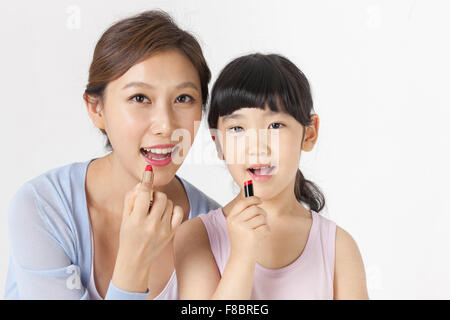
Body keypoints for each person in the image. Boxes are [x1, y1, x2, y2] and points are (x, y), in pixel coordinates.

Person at [5, 10, 219, 300]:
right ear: (97, 109)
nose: (166, 125)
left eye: (183, 99)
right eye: (140, 98)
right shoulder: (44, 207)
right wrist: (134, 263)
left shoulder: (216, 226)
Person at [174, 53, 369, 299]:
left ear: (309, 134)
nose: (256, 147)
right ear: (218, 144)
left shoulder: (338, 247)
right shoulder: (196, 238)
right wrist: (242, 257)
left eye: (275, 126)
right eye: (237, 128)